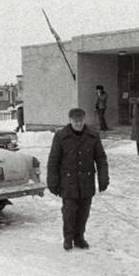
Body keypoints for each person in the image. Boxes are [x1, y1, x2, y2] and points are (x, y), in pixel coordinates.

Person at [47, 108, 109, 251]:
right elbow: (53, 161)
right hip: (68, 183)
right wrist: (52, 181)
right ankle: (68, 238)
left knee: (83, 213)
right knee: (69, 212)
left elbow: (101, 159)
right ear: (70, 120)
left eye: (81, 120)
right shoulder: (61, 136)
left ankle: (79, 237)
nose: (78, 123)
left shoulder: (93, 136)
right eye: (75, 121)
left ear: (84, 120)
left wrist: (103, 178)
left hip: (86, 182)